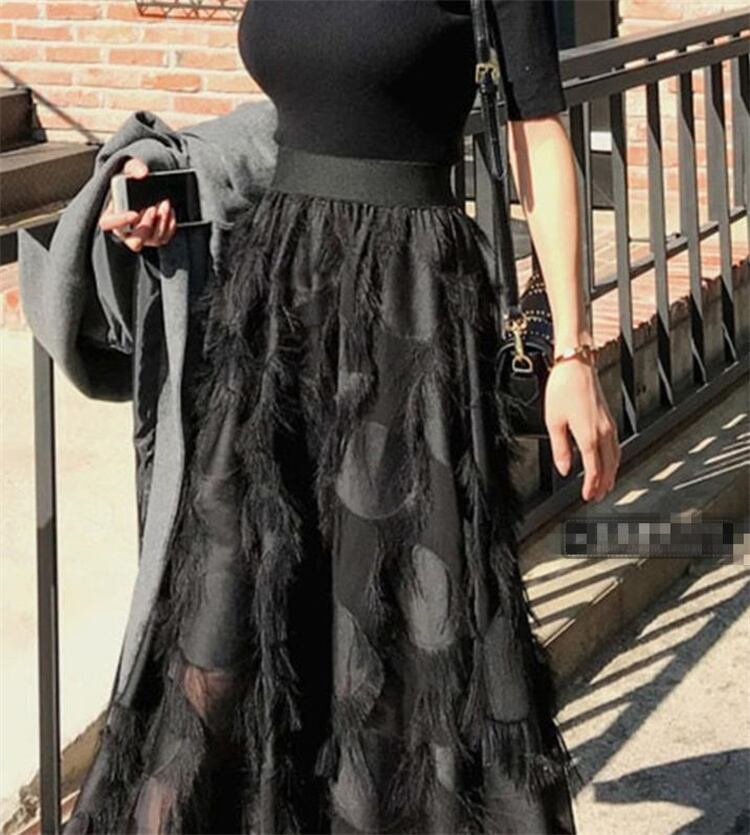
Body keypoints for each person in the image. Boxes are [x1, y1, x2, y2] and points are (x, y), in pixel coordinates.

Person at [82, 0, 620, 832]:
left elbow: (539, 137)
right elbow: (295, 112)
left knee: (400, 628)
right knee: (227, 608)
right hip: (279, 309)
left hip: (411, 311)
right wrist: (167, 183)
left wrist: (573, 356)